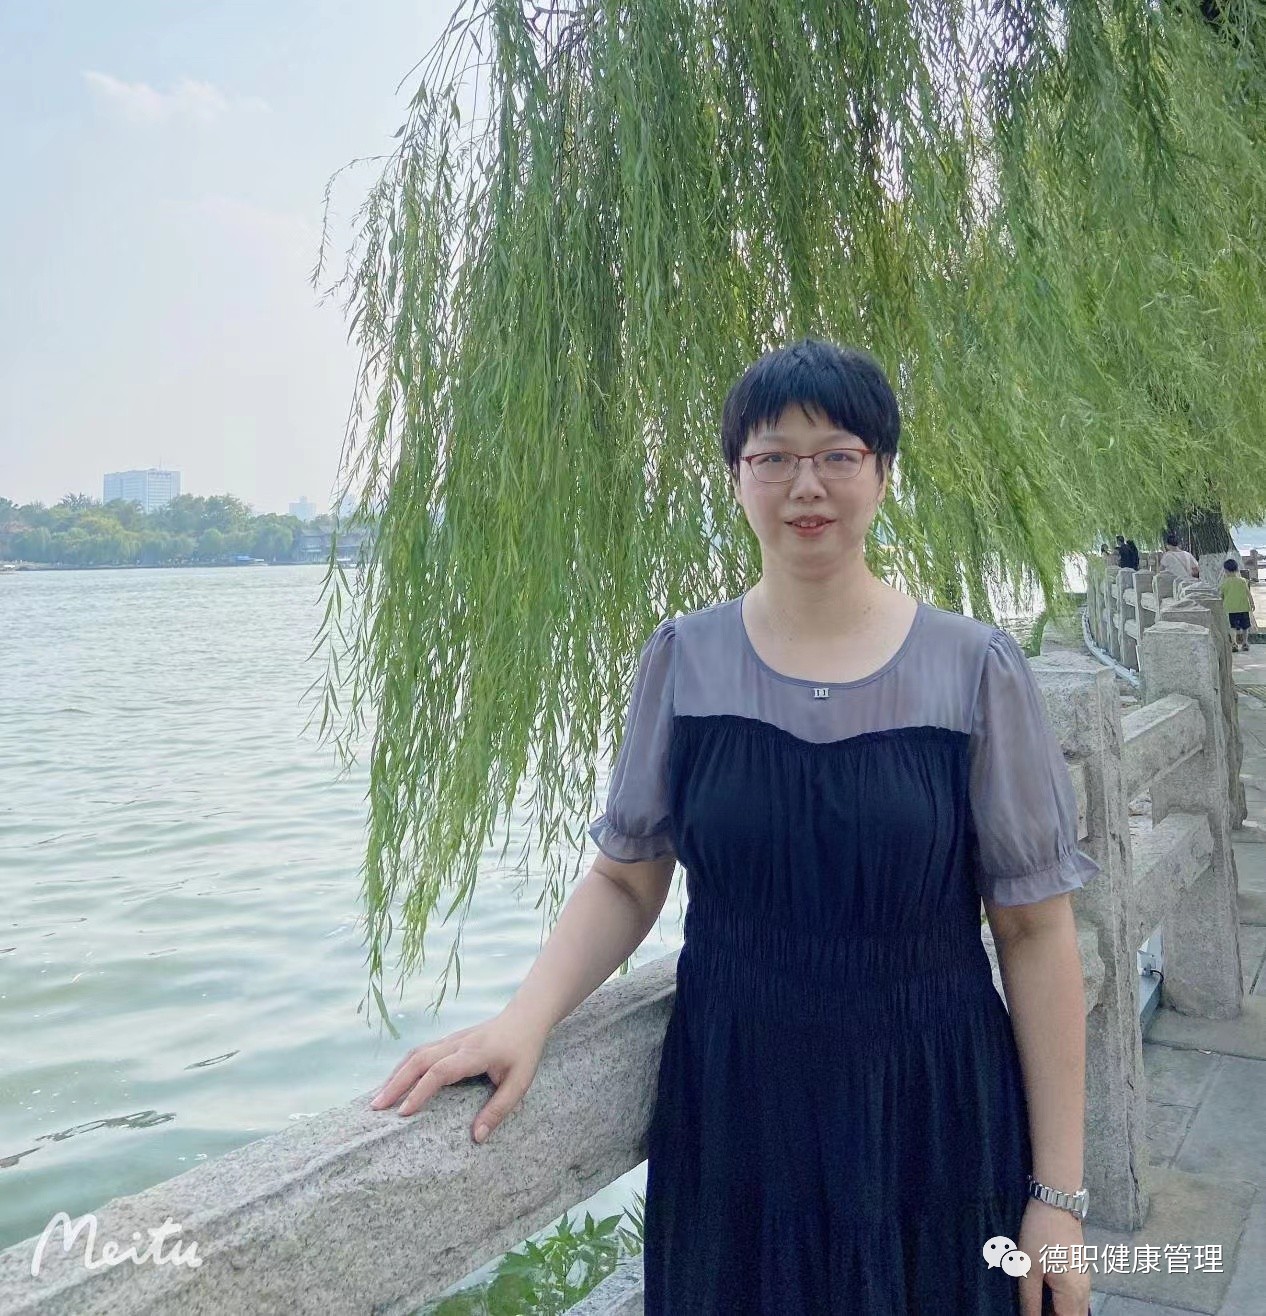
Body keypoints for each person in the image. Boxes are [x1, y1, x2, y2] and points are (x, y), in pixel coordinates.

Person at [371, 338, 1100, 1316]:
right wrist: (522, 1019)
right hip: (738, 1095)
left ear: (884, 472)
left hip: (931, 1096)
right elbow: (627, 877)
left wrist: (1057, 1197)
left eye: (838, 454)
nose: (807, 484)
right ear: (735, 478)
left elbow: (1035, 927)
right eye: (774, 457)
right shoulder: (685, 659)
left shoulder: (973, 667)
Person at [1221, 559, 1254, 652]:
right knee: (1245, 627)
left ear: (1226, 571)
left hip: (1231, 609)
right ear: (1236, 569)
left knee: (1233, 627)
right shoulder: (1242, 581)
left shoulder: (1225, 582)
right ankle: (1245, 643)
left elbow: (1221, 596)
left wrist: (1221, 605)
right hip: (1243, 607)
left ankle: (1234, 643)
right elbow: (1248, 594)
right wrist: (1252, 603)